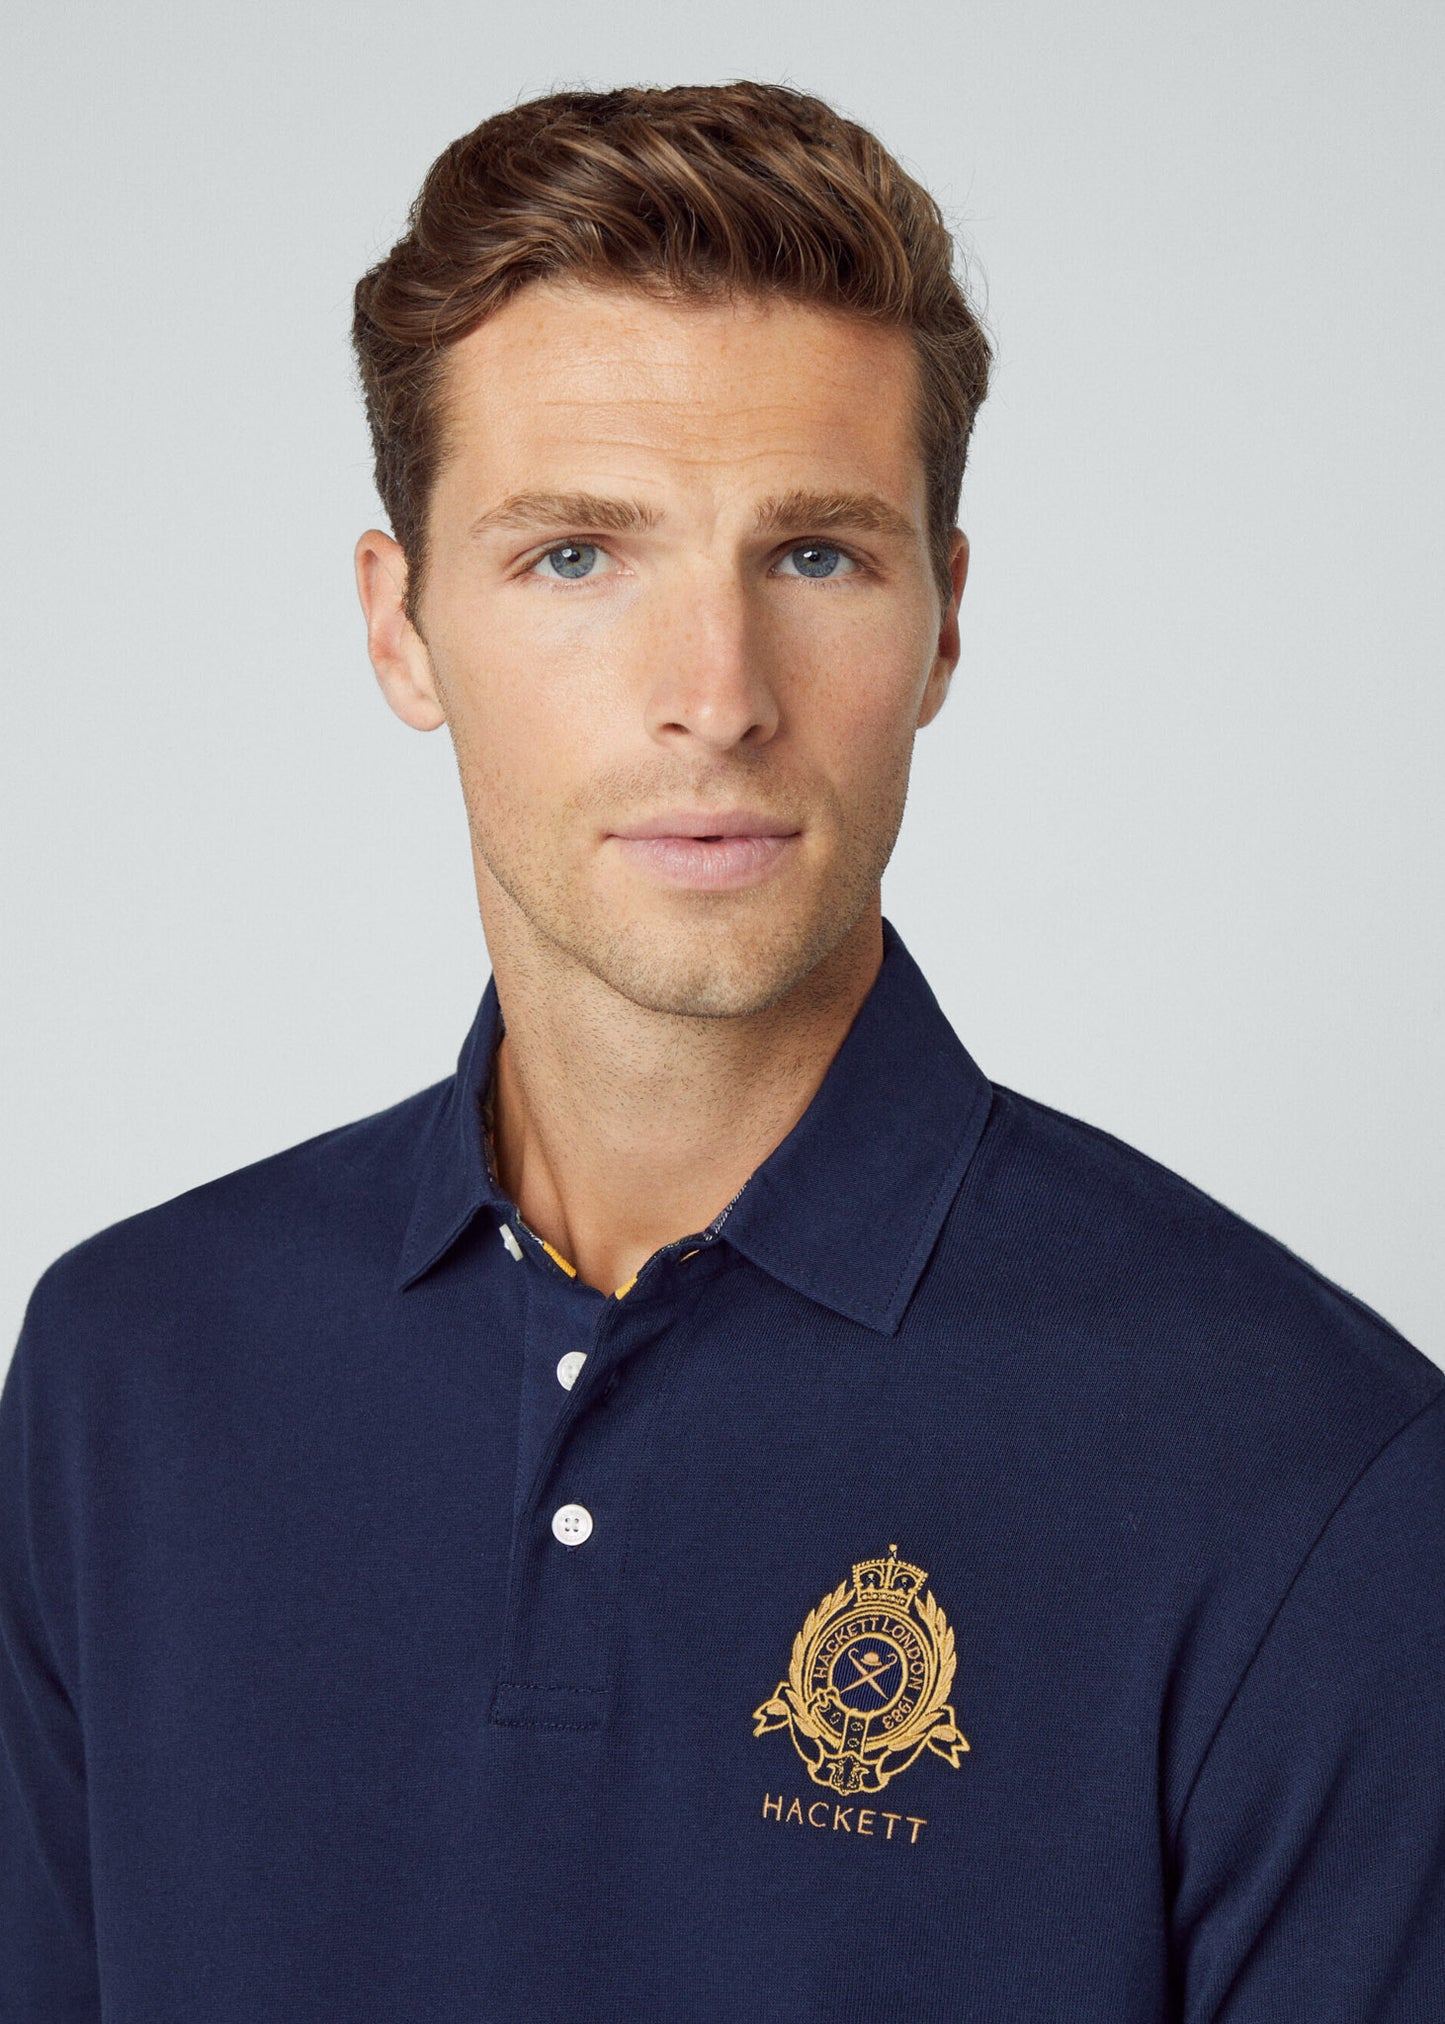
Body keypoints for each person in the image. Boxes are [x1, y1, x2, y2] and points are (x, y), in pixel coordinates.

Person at [1, 79, 1441, 2023]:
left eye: (817, 556)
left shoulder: (1312, 1471)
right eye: (576, 555)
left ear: (942, 624)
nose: (718, 696)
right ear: (400, 629)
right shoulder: (126, 1378)